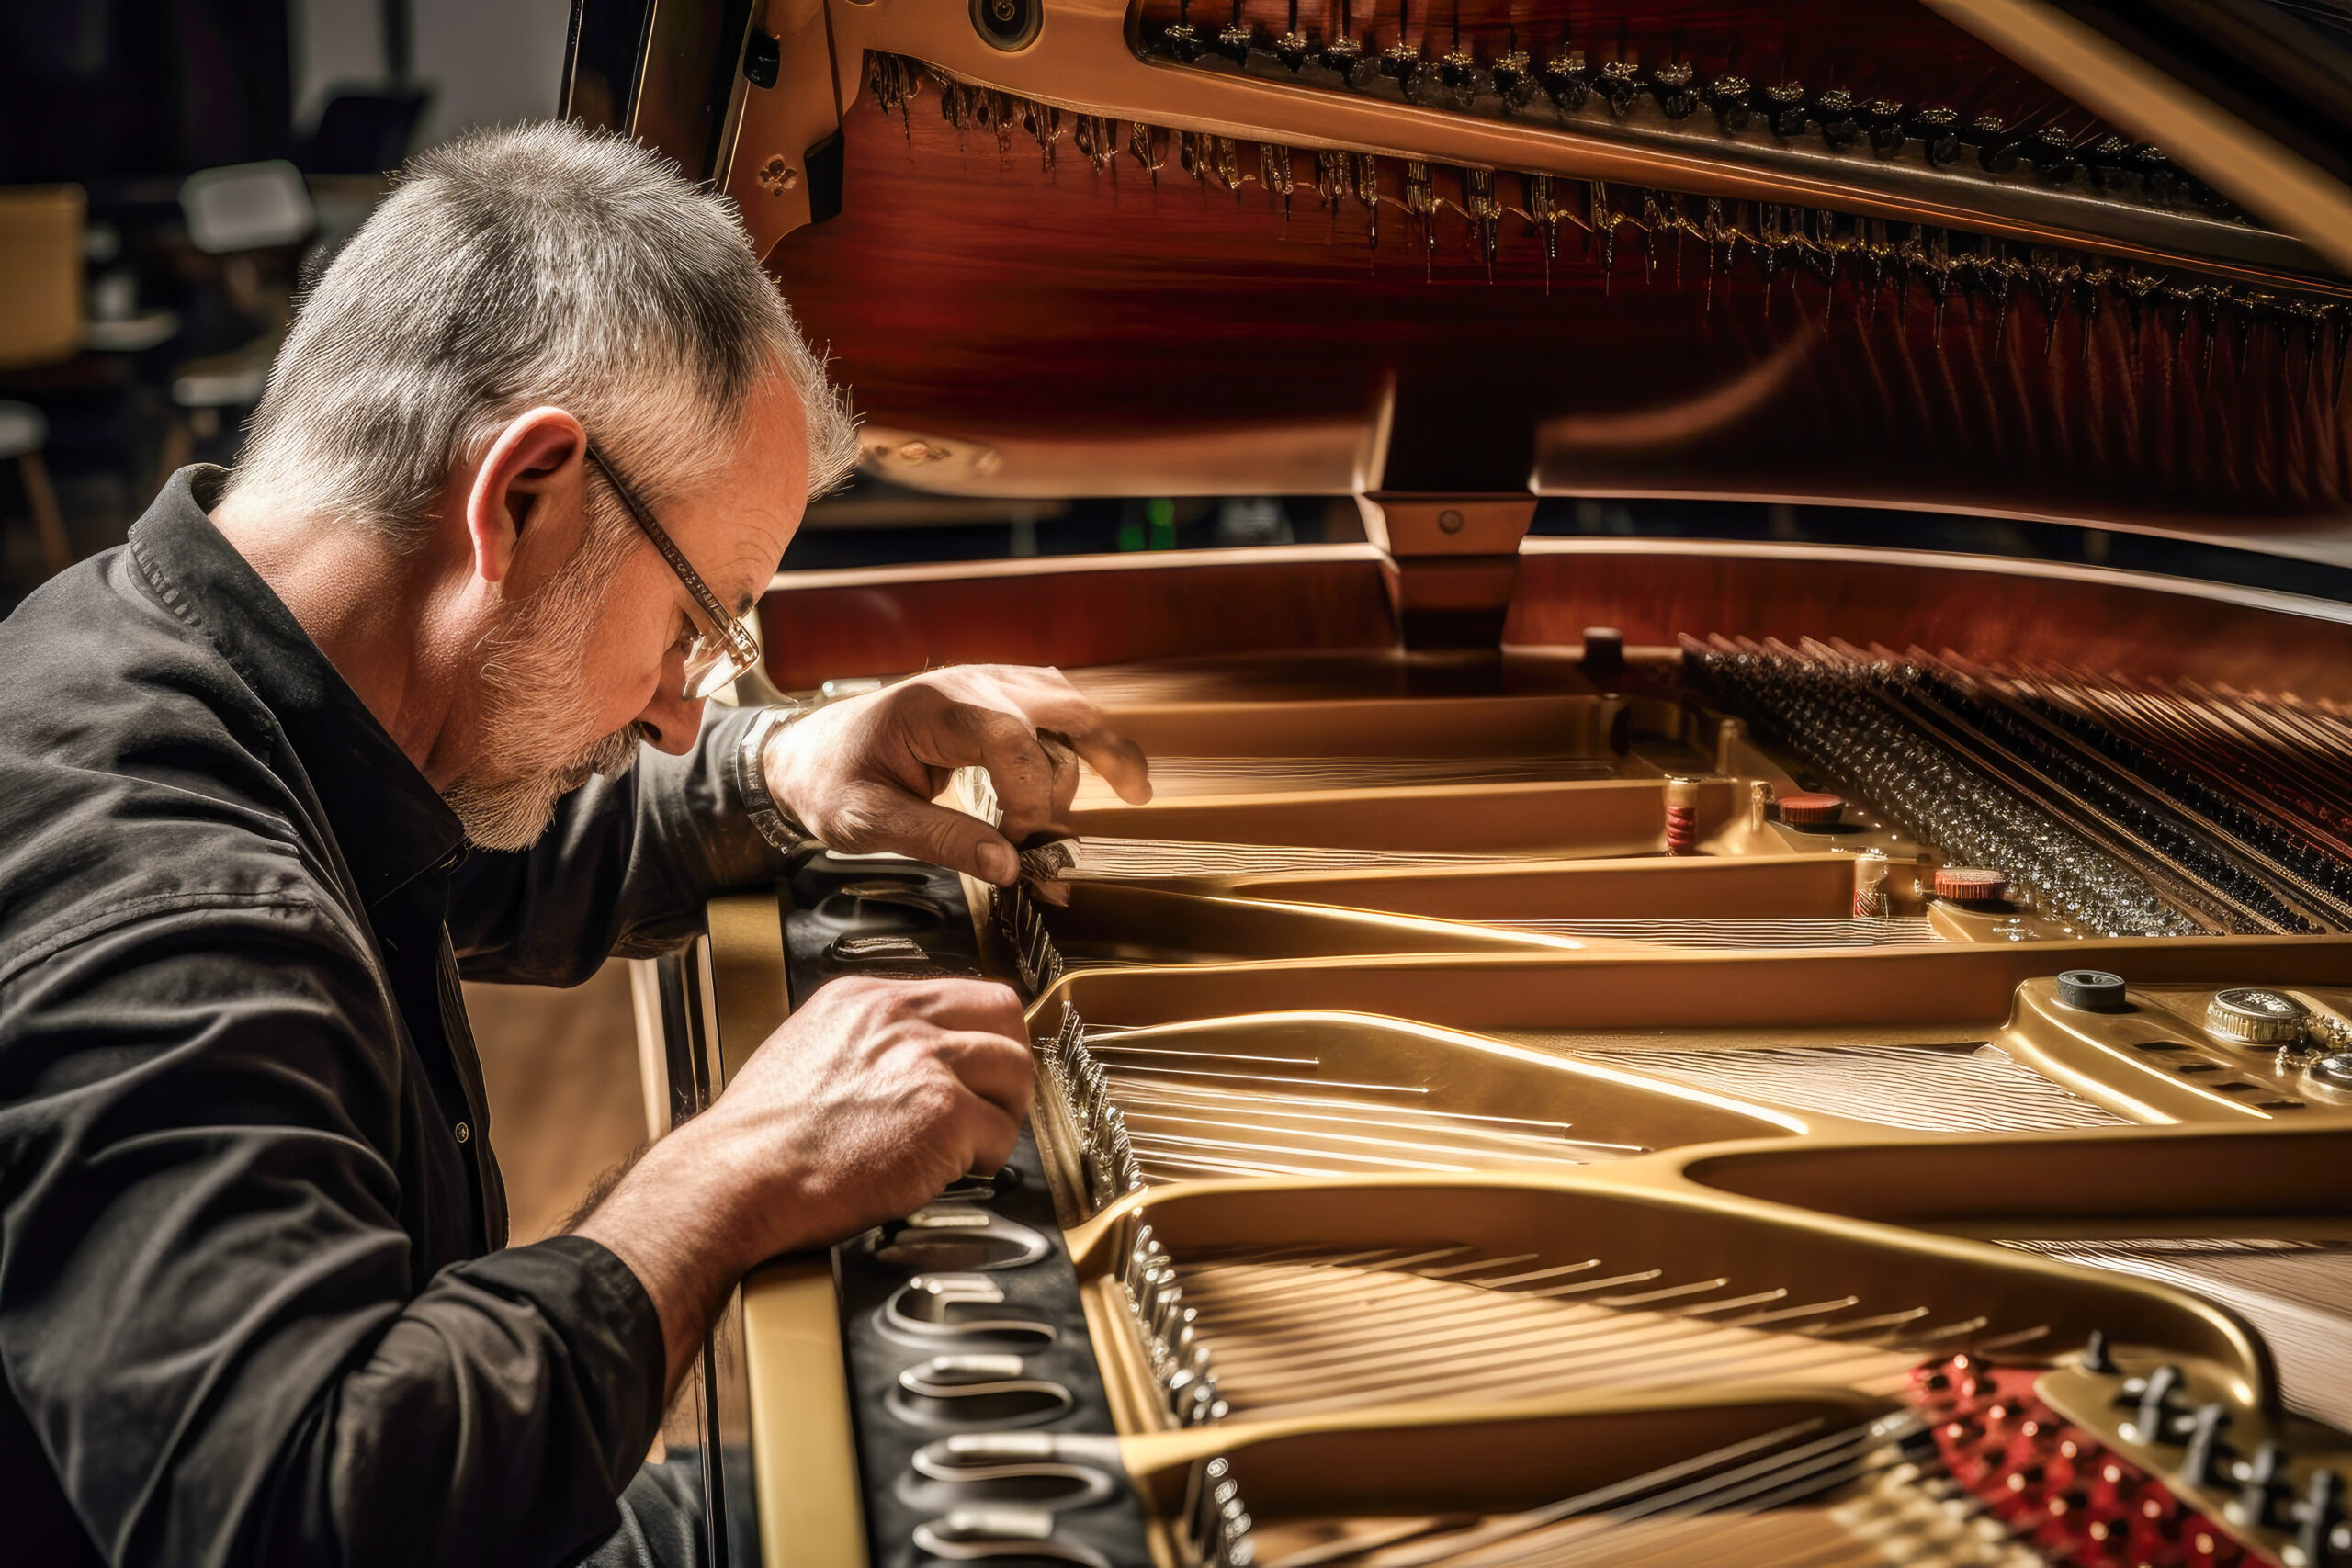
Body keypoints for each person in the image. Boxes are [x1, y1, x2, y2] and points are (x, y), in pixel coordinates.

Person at [0, 122, 1151, 1566]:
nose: (682, 716)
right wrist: (738, 1170)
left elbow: (474, 846)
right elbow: (296, 1513)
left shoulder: (181, 662)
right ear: (524, 498)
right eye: (697, 627)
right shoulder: (159, 895)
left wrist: (785, 761)